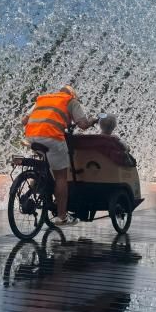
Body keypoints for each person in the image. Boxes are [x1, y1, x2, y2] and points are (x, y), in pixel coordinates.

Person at [22, 85, 98, 225]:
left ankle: (36, 187)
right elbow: (82, 125)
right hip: (51, 137)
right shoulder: (71, 101)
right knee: (61, 177)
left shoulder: (44, 99)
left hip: (31, 137)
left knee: (45, 164)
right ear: (72, 95)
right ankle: (62, 216)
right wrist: (92, 121)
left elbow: (24, 121)